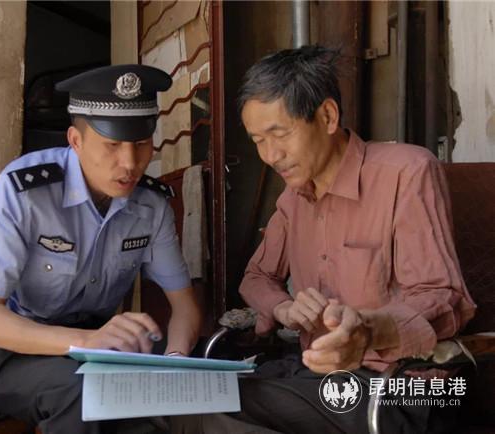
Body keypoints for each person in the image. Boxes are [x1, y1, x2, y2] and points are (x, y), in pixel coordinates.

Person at [173, 46, 476, 434]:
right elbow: (257, 277)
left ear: (328, 116)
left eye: (279, 134)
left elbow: (443, 299)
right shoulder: (293, 199)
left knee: (215, 408)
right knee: (188, 396)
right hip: (314, 377)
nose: (270, 155)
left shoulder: (407, 173)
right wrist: (284, 309)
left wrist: (365, 331)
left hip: (401, 386)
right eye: (258, 140)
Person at [0, 64, 202, 434]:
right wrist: (86, 341)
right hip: (4, 351)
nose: (130, 163)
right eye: (112, 146)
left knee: (186, 384)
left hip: (96, 345)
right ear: (75, 140)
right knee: (86, 393)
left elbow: (184, 306)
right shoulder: (23, 193)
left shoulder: (151, 206)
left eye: (140, 144)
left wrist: (175, 363)